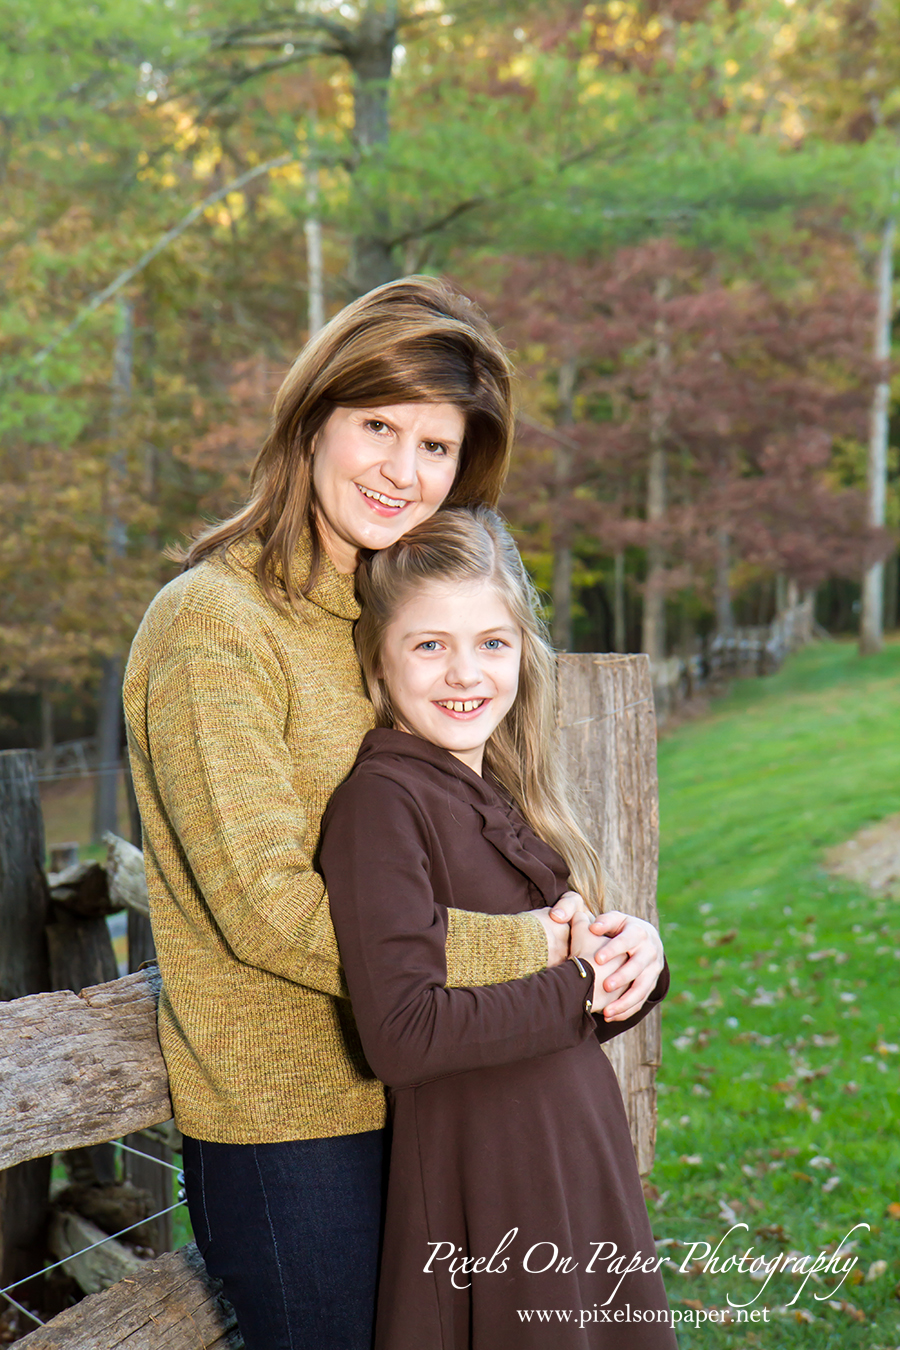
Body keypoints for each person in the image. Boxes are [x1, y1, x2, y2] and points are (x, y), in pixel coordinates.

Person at [122, 276, 665, 1350]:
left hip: (437, 1102)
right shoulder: (211, 626)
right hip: (294, 1130)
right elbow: (265, 908)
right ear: (314, 415)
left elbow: (470, 843)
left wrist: (605, 936)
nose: (402, 472)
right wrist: (533, 954)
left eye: (435, 447)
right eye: (379, 426)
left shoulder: (399, 620)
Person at [319, 505, 675, 1350]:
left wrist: (637, 964)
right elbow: (404, 1033)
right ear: (378, 660)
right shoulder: (383, 803)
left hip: (572, 1157)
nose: (464, 673)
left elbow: (573, 979)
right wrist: (580, 986)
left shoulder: (501, 788)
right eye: (429, 645)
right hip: (489, 1185)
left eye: (492, 642)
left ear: (522, 652)